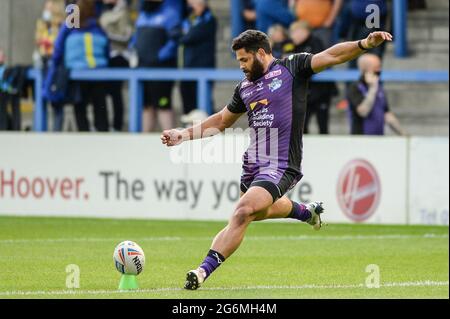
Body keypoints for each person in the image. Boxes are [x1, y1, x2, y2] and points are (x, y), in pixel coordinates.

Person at [161, 29, 393, 289]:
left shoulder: (292, 68)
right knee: (252, 214)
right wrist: (183, 134)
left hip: (281, 164)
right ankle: (306, 211)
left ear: (261, 53)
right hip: (252, 164)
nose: (242, 66)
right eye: (239, 61)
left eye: (244, 60)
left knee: (242, 212)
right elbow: (222, 120)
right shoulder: (245, 87)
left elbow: (332, 56)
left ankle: (202, 272)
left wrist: (363, 44)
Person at [45, 0, 110, 132]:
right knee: (100, 109)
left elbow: (58, 48)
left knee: (80, 109)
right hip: (98, 72)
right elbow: (107, 50)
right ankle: (103, 137)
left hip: (77, 75)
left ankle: (84, 137)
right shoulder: (97, 26)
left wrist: (56, 66)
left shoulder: (71, 24)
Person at [134, 0, 183, 132]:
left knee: (163, 105)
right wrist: (134, 49)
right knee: (147, 105)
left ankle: (170, 139)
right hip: (143, 68)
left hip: (162, 69)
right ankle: (145, 139)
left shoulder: (170, 14)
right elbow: (136, 38)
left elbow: (175, 40)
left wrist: (159, 56)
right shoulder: (142, 15)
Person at [288, 21, 337, 134]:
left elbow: (316, 64)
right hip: (304, 93)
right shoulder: (292, 46)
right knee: (302, 126)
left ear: (304, 32)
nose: (292, 35)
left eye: (295, 32)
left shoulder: (316, 43)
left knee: (322, 125)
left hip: (321, 91)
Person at [347, 53, 408, 136]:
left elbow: (387, 114)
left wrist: (403, 134)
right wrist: (372, 89)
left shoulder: (379, 88)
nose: (379, 70)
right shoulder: (355, 87)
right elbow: (363, 112)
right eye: (376, 68)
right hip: (361, 138)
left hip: (378, 138)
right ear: (366, 70)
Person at [179, 0, 216, 120]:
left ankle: (209, 129)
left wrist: (183, 35)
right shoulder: (188, 19)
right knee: (187, 101)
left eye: (194, 4)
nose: (191, 7)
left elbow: (188, 37)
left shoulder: (209, 19)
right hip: (187, 67)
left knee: (203, 103)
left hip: (204, 67)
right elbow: (175, 32)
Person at [100, 0, 134, 132]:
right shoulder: (106, 12)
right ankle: (105, 125)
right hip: (106, 56)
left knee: (116, 92)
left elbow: (126, 37)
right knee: (105, 92)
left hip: (119, 57)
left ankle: (117, 125)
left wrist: (107, 35)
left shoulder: (123, 13)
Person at [35, 0, 66, 131]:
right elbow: (39, 40)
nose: (46, 11)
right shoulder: (42, 23)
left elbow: (58, 44)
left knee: (56, 99)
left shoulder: (64, 25)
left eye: (49, 7)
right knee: (42, 97)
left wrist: (50, 43)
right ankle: (41, 130)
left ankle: (57, 131)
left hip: (58, 63)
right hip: (44, 61)